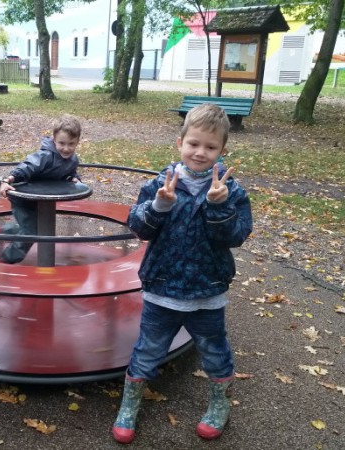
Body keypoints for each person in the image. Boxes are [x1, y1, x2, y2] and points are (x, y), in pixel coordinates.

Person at [112, 103, 253, 444]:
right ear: (180, 143)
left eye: (210, 146)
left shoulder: (231, 191)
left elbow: (236, 236)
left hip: (207, 291)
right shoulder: (160, 184)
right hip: (162, 287)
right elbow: (139, 228)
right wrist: (159, 205)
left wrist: (219, 207)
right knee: (148, 349)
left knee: (215, 351)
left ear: (222, 150)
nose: (200, 152)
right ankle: (129, 404)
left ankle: (220, 402)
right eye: (194, 143)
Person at [0, 114, 82, 263]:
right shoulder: (44, 156)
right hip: (23, 199)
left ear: (78, 141)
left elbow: (69, 172)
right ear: (54, 139)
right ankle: (6, 260)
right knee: (32, 232)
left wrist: (73, 178)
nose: (66, 148)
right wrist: (7, 180)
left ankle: (1, 232)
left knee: (37, 228)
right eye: (62, 143)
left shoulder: (73, 160)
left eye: (71, 144)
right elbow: (26, 167)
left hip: (41, 201)